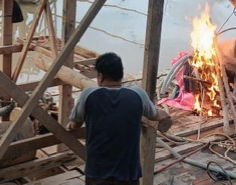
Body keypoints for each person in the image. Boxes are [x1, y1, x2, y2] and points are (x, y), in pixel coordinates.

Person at [68, 52, 171, 185]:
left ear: (100, 77)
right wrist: (164, 114)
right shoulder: (138, 95)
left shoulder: (88, 95)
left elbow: (75, 123)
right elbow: (154, 115)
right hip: (128, 174)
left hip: (97, 173)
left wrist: (71, 126)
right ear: (121, 75)